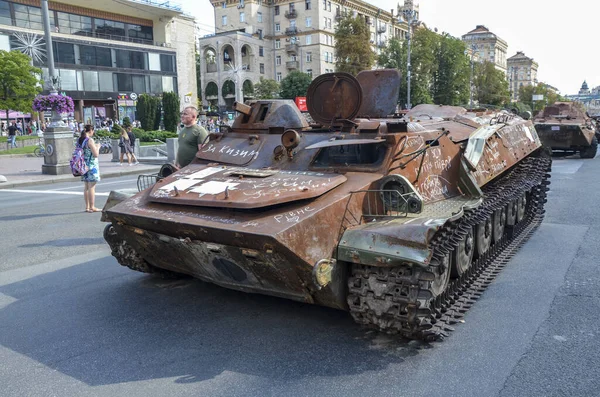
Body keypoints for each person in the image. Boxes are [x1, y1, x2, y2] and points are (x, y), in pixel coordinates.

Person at [78, 125, 101, 212]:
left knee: (86, 186)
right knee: (92, 186)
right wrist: (98, 147)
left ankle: (87, 207)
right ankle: (92, 206)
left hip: (83, 165)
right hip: (91, 165)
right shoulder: (90, 140)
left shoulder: (81, 140)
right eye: (93, 130)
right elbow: (95, 154)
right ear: (90, 130)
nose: (93, 132)